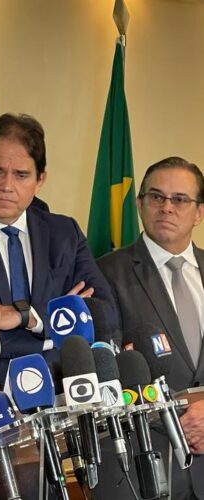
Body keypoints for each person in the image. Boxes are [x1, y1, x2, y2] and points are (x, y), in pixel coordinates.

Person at [0, 113, 117, 385]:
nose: (7, 186)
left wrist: (23, 316)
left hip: (63, 386)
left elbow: (104, 314)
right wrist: (62, 314)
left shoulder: (64, 233)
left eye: (21, 175)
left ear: (40, 181)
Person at [97, 156, 204, 499]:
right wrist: (177, 418)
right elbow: (107, 374)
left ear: (199, 213)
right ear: (140, 203)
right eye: (156, 196)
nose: (167, 207)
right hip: (145, 465)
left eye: (180, 199)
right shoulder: (104, 274)